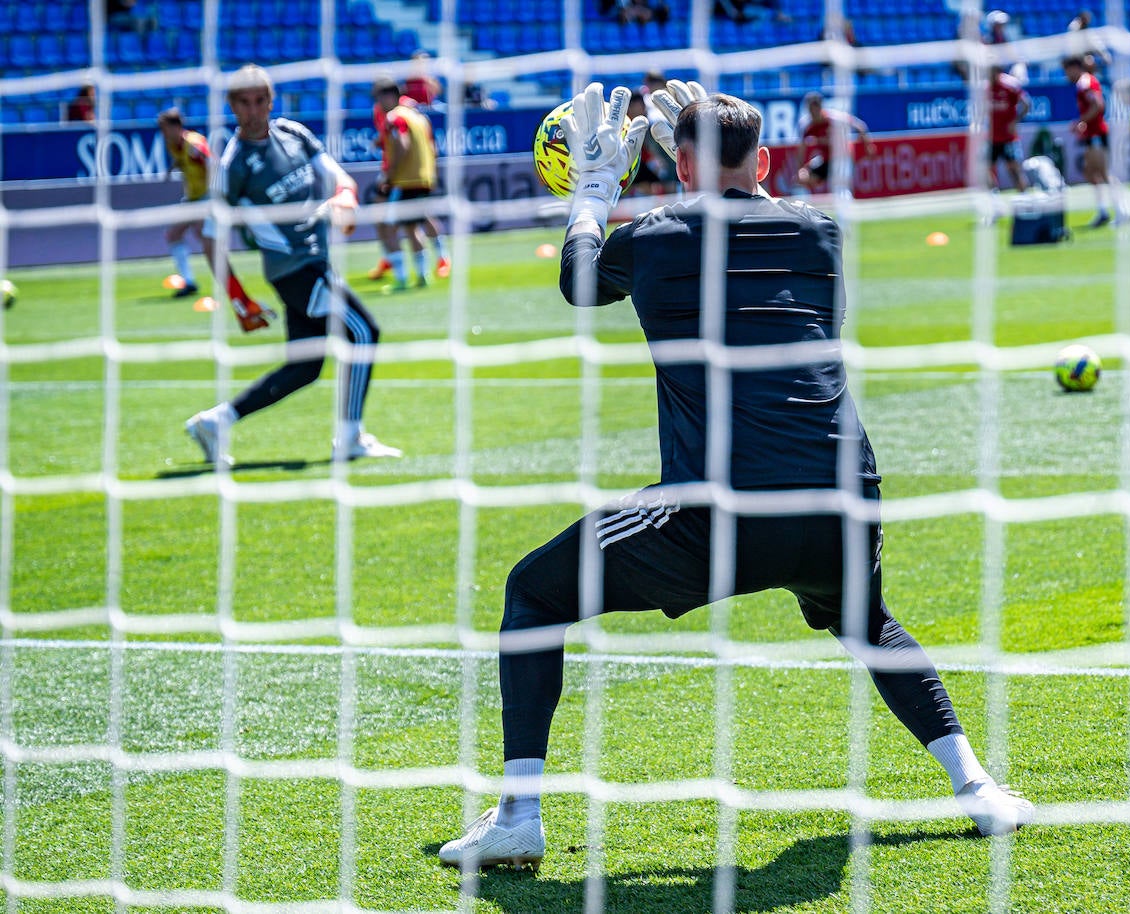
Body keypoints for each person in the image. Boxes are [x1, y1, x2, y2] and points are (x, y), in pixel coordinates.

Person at [438, 82, 1033, 872]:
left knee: (533, 594)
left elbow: (580, 282)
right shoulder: (820, 232)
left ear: (676, 161)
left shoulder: (650, 236)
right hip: (842, 498)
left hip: (721, 512)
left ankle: (517, 815)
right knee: (868, 621)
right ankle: (978, 787)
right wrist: (704, 152)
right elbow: (747, 212)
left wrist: (591, 193)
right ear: (764, 158)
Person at [184, 65, 401, 465]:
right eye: (243, 102)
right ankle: (350, 437)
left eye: (260, 100)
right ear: (231, 106)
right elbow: (211, 236)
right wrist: (238, 300)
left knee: (305, 367)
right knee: (364, 332)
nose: (253, 110)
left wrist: (345, 198)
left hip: (316, 263)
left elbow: (340, 179)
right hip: (294, 270)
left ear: (270, 100)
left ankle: (215, 422)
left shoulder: (294, 134)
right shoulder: (232, 166)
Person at [365, 82, 450, 285]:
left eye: (380, 99)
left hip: (405, 180)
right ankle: (423, 276)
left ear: (390, 97)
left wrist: (390, 175)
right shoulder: (417, 116)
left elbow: (402, 146)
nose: (378, 105)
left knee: (388, 227)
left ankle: (401, 279)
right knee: (412, 227)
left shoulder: (395, 117)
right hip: (424, 178)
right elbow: (432, 146)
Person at [157, 108, 216, 299]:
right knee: (174, 235)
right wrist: (171, 169)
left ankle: (224, 279)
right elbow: (181, 160)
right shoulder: (173, 144)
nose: (163, 133)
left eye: (165, 129)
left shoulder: (194, 144)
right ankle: (188, 282)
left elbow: (211, 162)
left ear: (176, 127)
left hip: (206, 197)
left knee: (203, 236)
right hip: (192, 198)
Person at [1062, 55, 1113, 227]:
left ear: (1074, 68)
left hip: (1096, 133)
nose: (1066, 75)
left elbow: (1098, 105)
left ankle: (1123, 211)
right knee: (1090, 172)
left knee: (1103, 173)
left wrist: (1082, 121)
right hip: (1092, 134)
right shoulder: (1083, 83)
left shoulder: (1085, 83)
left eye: (1066, 71)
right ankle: (1103, 211)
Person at [795, 91, 877, 194]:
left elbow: (860, 126)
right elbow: (801, 150)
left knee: (840, 187)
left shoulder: (834, 118)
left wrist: (868, 147)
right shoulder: (806, 125)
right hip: (825, 159)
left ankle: (845, 205)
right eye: (811, 108)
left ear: (821, 107)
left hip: (842, 158)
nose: (814, 111)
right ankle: (804, 206)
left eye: (816, 107)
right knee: (802, 177)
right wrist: (799, 169)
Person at [987, 64, 1030, 193]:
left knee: (1014, 170)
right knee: (983, 169)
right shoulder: (985, 87)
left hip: (1009, 138)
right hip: (992, 138)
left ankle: (1025, 199)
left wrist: (1015, 121)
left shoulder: (1010, 85)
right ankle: (993, 197)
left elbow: (1026, 104)